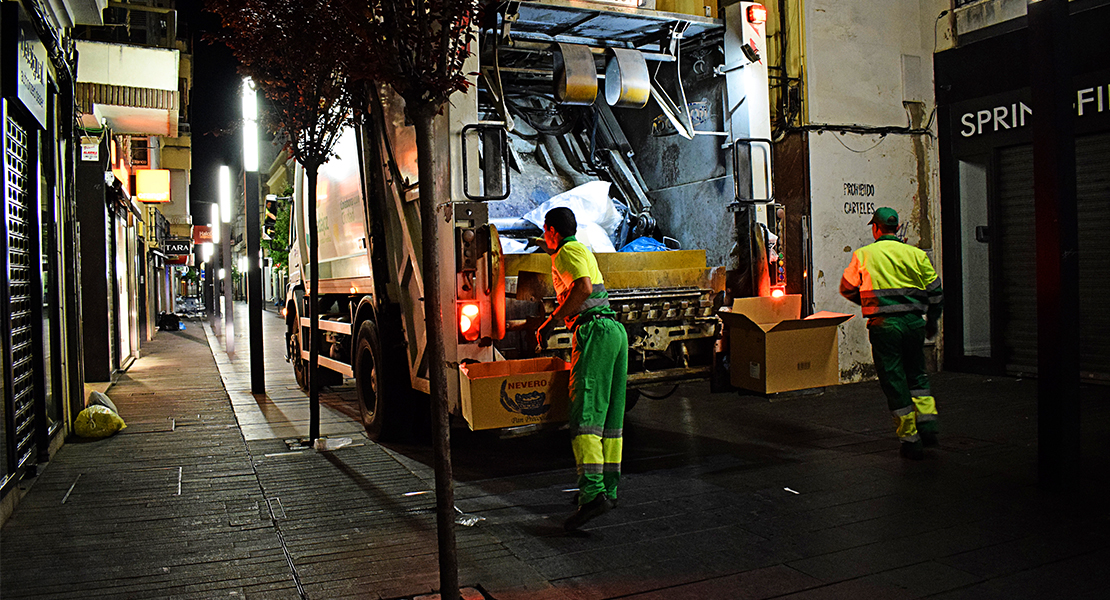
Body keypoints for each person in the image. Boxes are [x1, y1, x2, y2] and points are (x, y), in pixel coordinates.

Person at [534, 207, 629, 531]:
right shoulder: (583, 248)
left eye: (545, 232)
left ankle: (592, 495)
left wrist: (552, 321)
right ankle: (608, 491)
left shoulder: (565, 252)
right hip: (613, 331)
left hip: (595, 333)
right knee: (610, 421)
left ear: (552, 231)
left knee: (585, 418)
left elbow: (584, 288)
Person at [840, 207, 943, 460]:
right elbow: (936, 292)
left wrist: (869, 302)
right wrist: (932, 321)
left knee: (895, 380)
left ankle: (910, 440)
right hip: (913, 324)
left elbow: (847, 288)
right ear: (896, 228)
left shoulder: (864, 255)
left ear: (876, 228)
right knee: (917, 374)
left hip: (884, 326)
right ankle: (928, 427)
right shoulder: (916, 254)